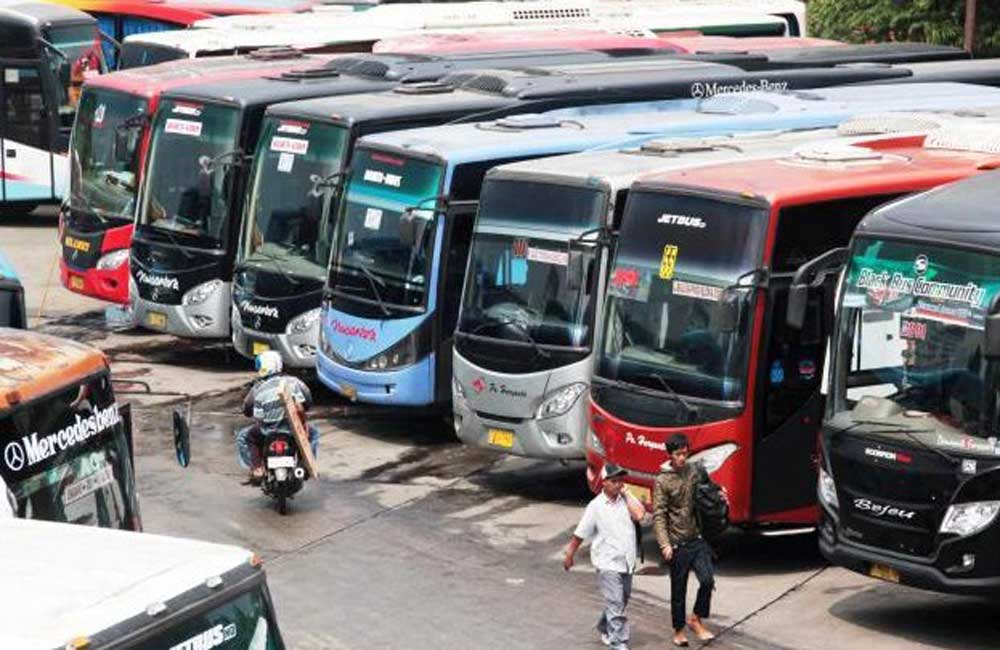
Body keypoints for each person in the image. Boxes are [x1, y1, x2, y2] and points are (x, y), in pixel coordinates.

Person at [564, 463, 646, 650]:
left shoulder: (626, 498)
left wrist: (626, 494)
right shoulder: (596, 507)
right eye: (614, 481)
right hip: (607, 563)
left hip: (627, 561)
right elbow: (580, 533)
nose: (618, 485)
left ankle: (604, 625)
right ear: (605, 482)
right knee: (616, 603)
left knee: (620, 601)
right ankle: (619, 643)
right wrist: (570, 553)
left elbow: (640, 515)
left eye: (621, 481)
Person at [653, 433, 716, 648]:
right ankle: (679, 630)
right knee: (678, 590)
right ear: (670, 455)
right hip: (677, 543)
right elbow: (659, 514)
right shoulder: (662, 481)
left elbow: (708, 488)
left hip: (696, 538)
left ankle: (696, 618)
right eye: (678, 454)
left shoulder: (693, 471)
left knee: (707, 580)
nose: (682, 458)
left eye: (684, 453)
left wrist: (718, 493)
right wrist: (664, 544)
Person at [236, 351, 319, 482]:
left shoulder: (258, 389)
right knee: (314, 433)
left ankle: (257, 468)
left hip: (268, 432)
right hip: (294, 430)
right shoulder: (294, 382)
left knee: (244, 436)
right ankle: (306, 465)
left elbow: (256, 416)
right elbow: (307, 401)